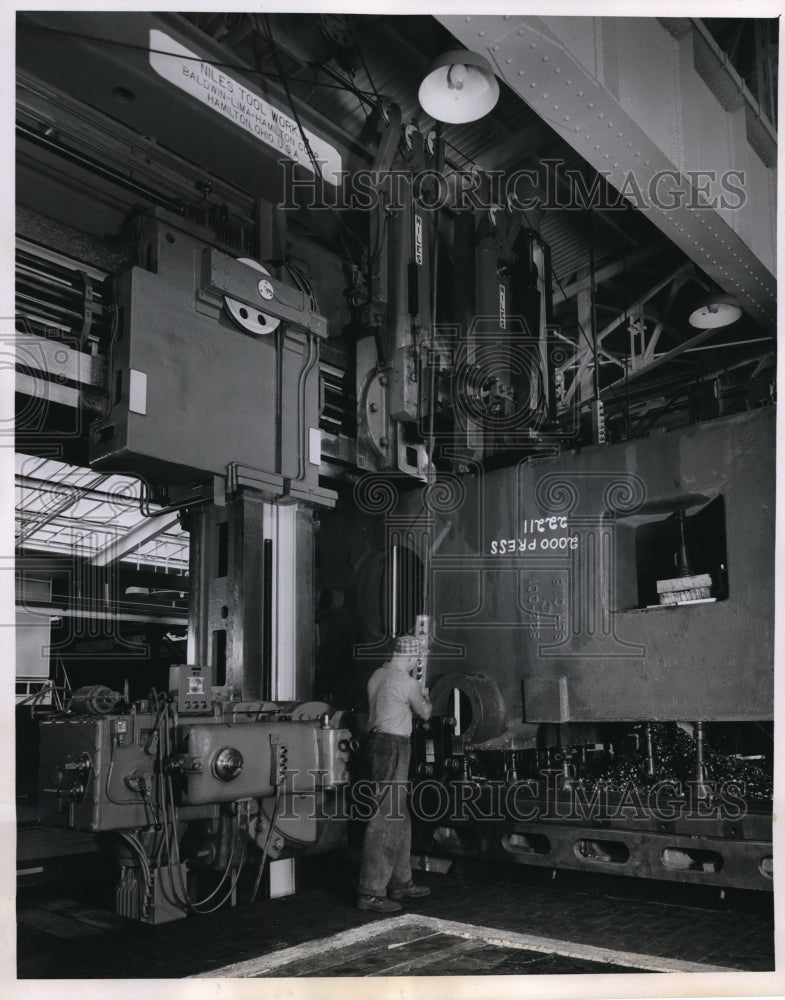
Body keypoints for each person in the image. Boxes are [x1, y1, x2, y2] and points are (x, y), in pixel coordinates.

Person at [356, 634, 433, 913]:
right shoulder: (408, 682)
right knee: (387, 817)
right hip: (395, 746)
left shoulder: (377, 675)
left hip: (377, 744)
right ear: (411, 658)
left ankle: (400, 882)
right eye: (416, 660)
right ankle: (370, 892)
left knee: (398, 814)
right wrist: (425, 695)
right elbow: (424, 714)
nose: (415, 664)